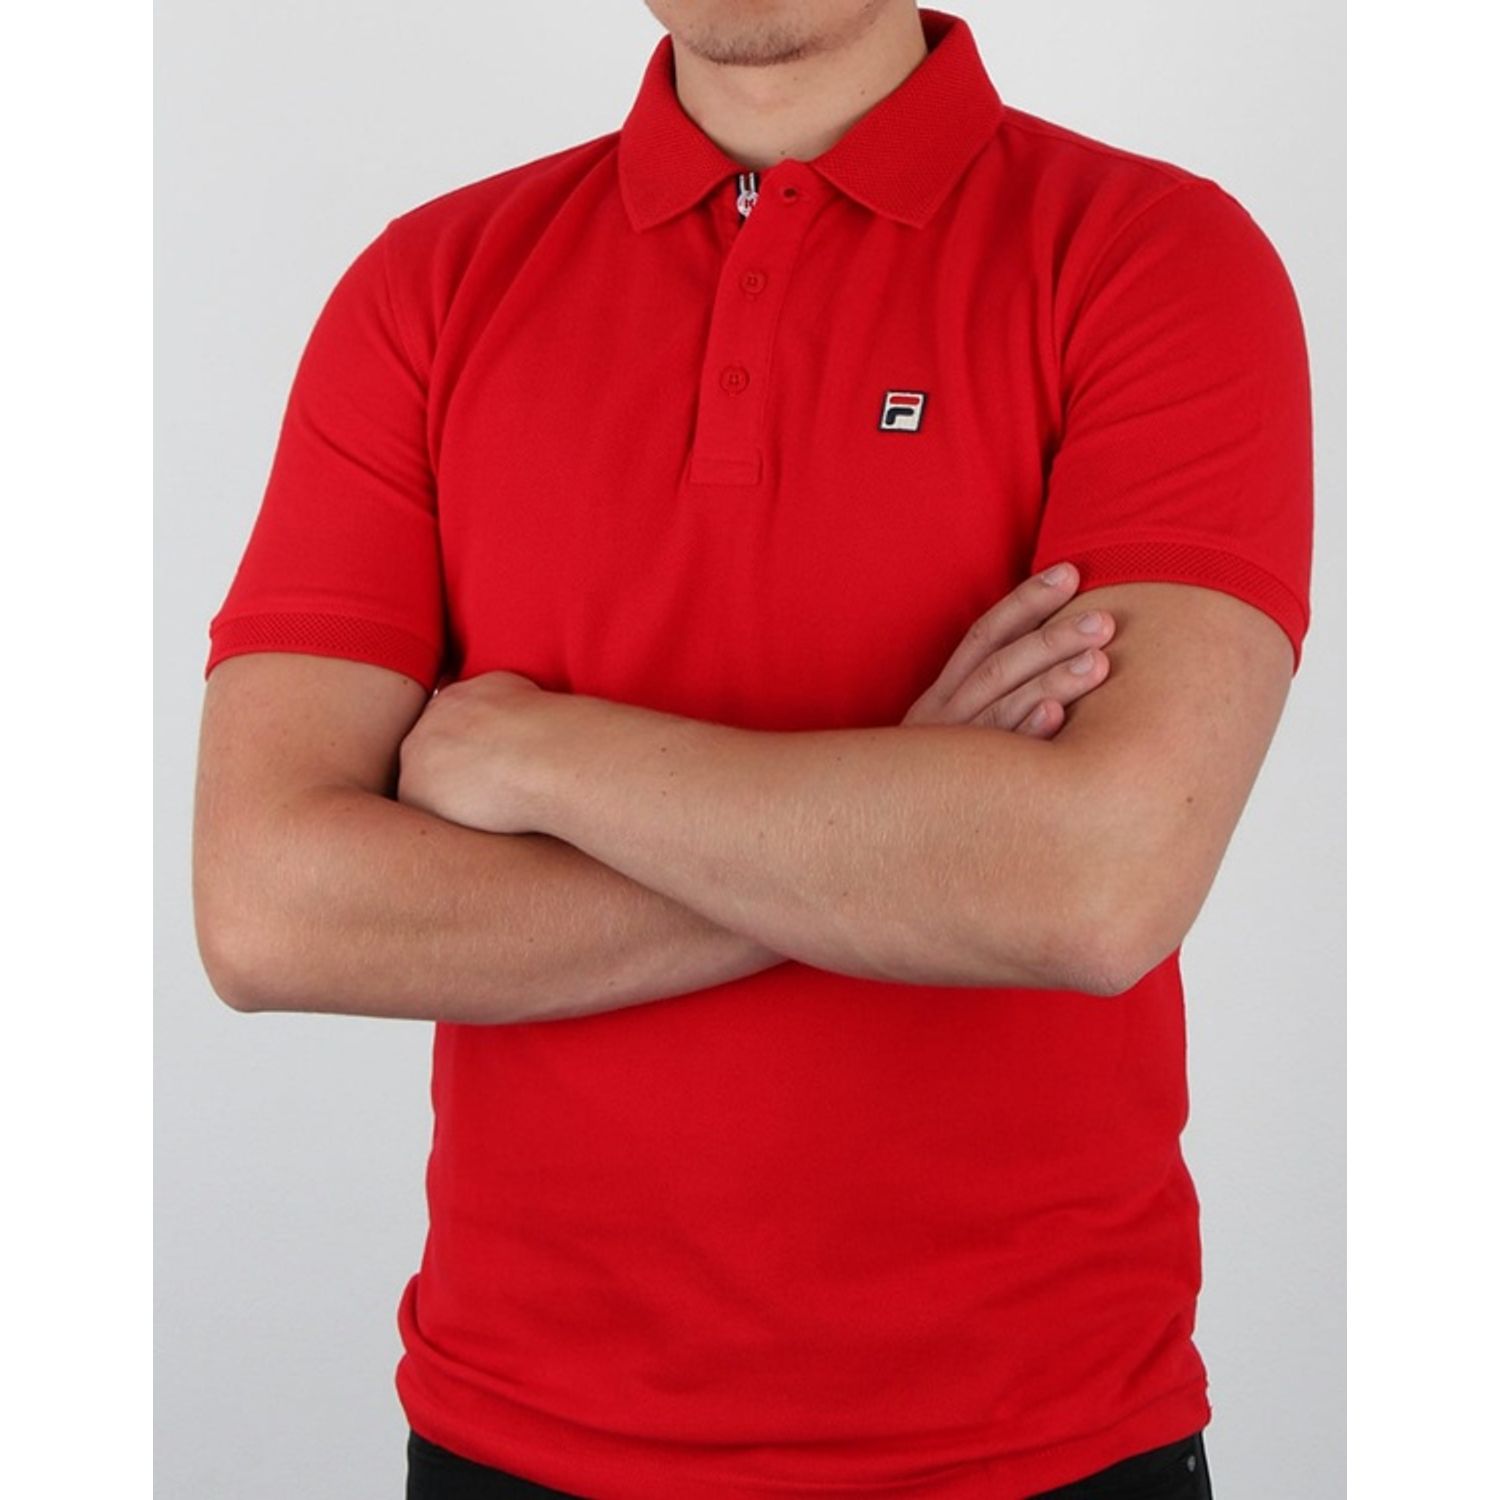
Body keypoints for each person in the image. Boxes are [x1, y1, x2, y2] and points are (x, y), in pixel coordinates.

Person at [193, 3, 1313, 1496]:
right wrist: (905, 833)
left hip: (1035, 1444)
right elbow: (270, 911)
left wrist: (545, 757)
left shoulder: (1152, 256)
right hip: (516, 1438)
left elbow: (1098, 888)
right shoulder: (432, 283)